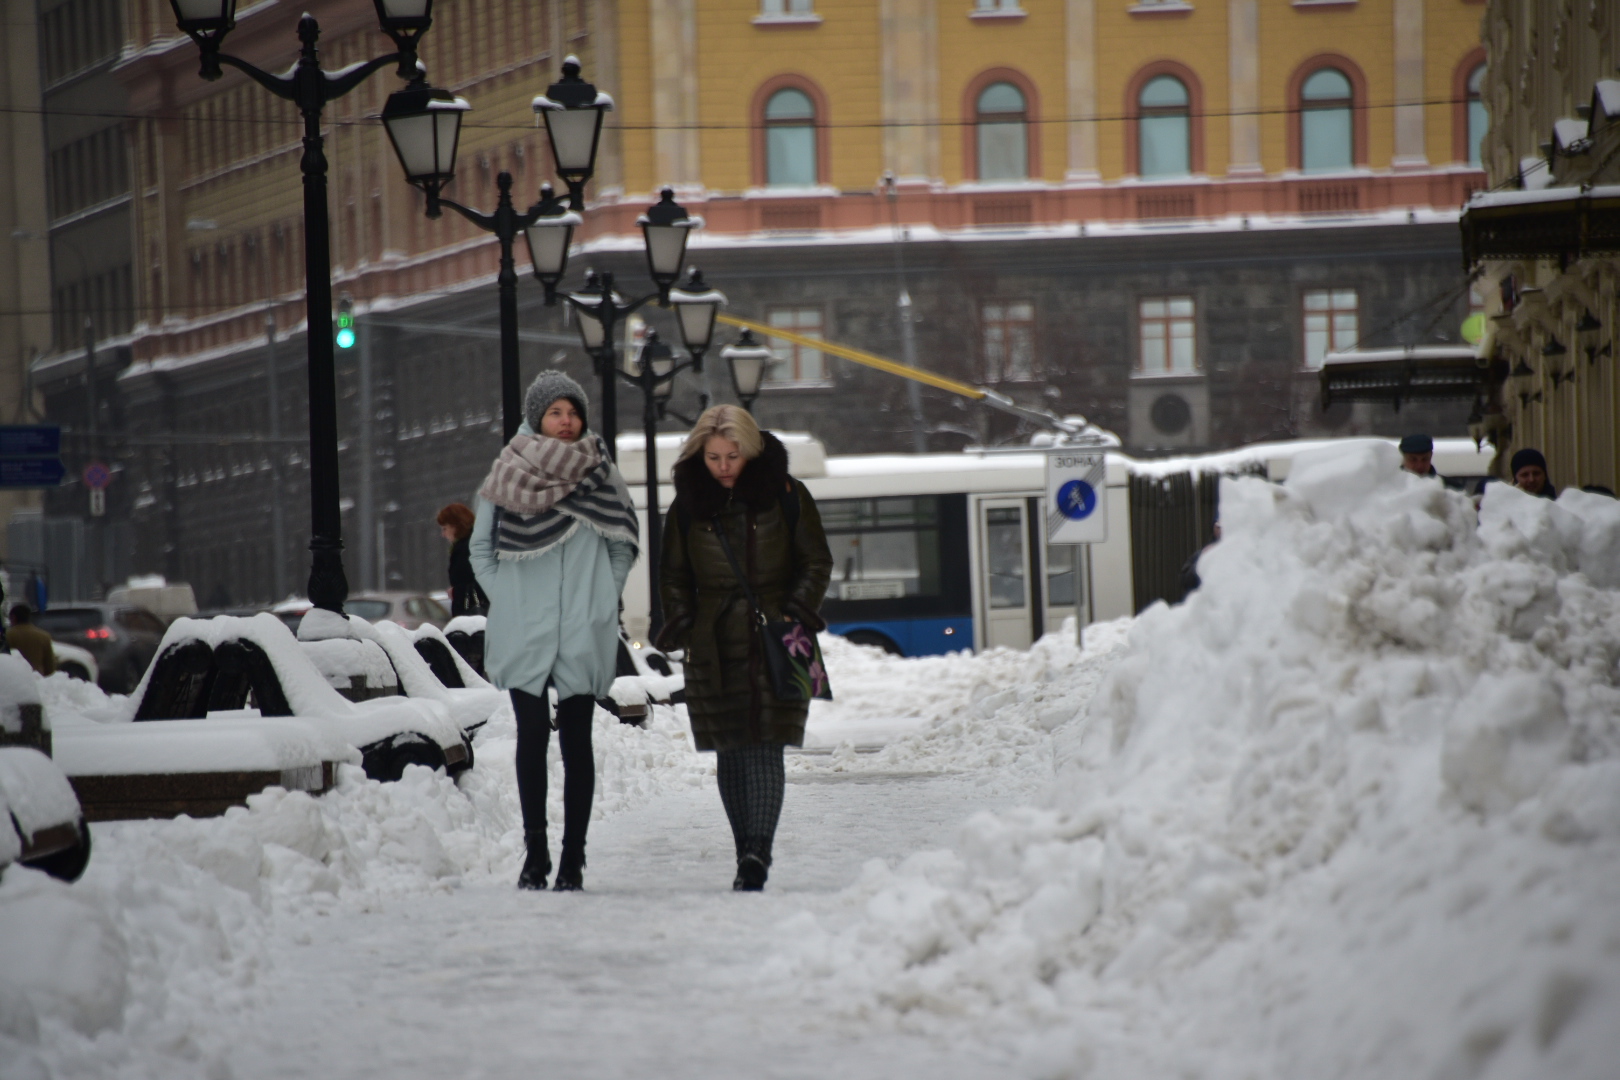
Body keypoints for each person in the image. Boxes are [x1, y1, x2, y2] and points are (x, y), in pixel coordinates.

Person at [469, 371, 639, 892]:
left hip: (583, 626)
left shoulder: (602, 473)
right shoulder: (509, 470)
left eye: (573, 412)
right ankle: (535, 854)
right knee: (531, 738)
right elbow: (480, 549)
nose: (566, 423)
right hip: (524, 627)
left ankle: (573, 859)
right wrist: (510, 601)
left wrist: (601, 601)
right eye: (556, 413)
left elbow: (622, 542)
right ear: (537, 417)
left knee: (579, 743)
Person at [656, 406, 833, 892]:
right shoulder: (688, 505)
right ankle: (746, 854)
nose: (723, 466)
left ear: (750, 450)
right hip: (712, 640)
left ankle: (758, 850)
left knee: (766, 747)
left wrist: (795, 610)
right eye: (713, 456)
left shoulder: (788, 496)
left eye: (733, 455)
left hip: (780, 634)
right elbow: (672, 575)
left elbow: (816, 561)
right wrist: (686, 624)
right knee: (730, 751)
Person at [436, 502, 488, 616]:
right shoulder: (474, 544)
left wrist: (457, 592)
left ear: (456, 526)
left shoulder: (466, 549)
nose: (443, 534)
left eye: (445, 528)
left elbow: (479, 584)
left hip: (472, 616)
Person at [7, 605, 56, 676]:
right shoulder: (44, 636)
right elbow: (50, 667)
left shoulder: (8, 635)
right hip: (37, 679)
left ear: (13, 617)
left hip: (15, 679)